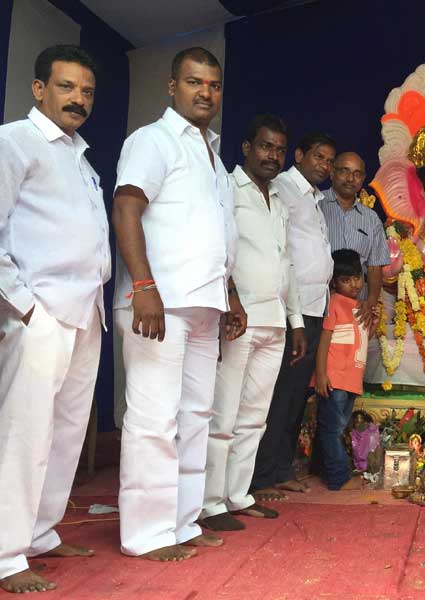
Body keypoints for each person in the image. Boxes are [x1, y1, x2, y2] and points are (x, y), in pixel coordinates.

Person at [113, 47, 244, 562]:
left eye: (212, 84)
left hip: (204, 305)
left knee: (194, 416)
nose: (204, 92)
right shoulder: (153, 140)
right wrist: (144, 286)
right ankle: (146, 534)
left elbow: (218, 235)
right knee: (153, 419)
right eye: (194, 82)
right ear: (172, 86)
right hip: (158, 305)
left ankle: (181, 521)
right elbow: (127, 207)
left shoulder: (213, 155)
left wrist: (229, 294)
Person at [0, 44, 109, 594]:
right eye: (66, 87)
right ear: (39, 88)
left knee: (65, 432)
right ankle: (4, 554)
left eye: (87, 91)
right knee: (25, 431)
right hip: (39, 308)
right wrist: (21, 304)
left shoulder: (81, 158)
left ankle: (41, 533)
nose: (78, 99)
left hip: (86, 309)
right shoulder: (12, 141)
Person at [199, 114, 306, 531]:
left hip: (274, 319)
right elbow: (216, 248)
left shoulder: (278, 199)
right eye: (265, 146)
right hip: (238, 319)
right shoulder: (227, 188)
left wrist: (296, 320)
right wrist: (230, 299)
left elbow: (287, 263)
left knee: (254, 416)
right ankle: (210, 503)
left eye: (279, 149)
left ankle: (238, 495)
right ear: (246, 148)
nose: (273, 155)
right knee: (223, 414)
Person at [251, 133, 336, 501]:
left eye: (329, 160)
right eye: (318, 156)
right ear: (299, 155)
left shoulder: (314, 198)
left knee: (295, 399)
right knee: (277, 396)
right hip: (290, 310)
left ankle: (281, 469)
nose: (324, 165)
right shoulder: (284, 188)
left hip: (315, 307)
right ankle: (261, 475)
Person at [313, 249, 370, 490]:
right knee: (332, 429)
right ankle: (338, 478)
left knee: (335, 427)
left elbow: (363, 340)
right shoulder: (335, 302)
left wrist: (373, 321)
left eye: (357, 277)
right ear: (335, 282)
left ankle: (322, 470)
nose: (354, 284)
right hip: (334, 377)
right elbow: (324, 340)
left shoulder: (360, 306)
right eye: (346, 280)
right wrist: (321, 374)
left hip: (352, 378)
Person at [321, 152, 389, 329]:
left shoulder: (371, 218)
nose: (350, 178)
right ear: (332, 172)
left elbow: (375, 265)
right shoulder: (315, 204)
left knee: (351, 356)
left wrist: (371, 301)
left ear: (363, 178)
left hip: (357, 309)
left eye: (357, 174)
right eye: (344, 171)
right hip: (320, 306)